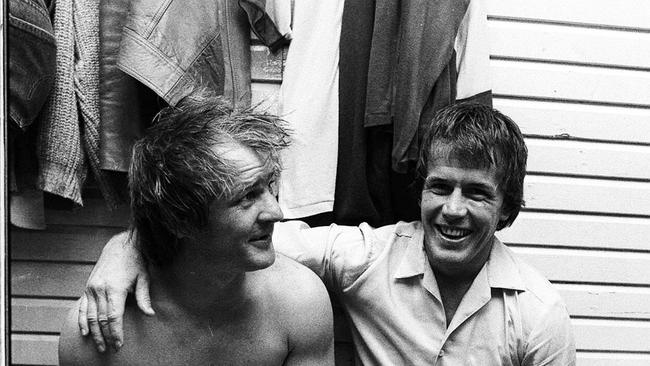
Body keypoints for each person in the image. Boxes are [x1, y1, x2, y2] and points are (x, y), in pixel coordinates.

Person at [77, 103, 576, 365]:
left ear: (508, 208)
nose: (453, 209)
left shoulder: (537, 316)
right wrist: (124, 246)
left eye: (477, 194)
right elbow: (217, 231)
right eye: (439, 186)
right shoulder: (366, 257)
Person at [58, 91, 334, 365]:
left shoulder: (298, 301)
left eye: (269, 185)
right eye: (246, 197)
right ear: (180, 220)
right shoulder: (94, 336)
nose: (276, 212)